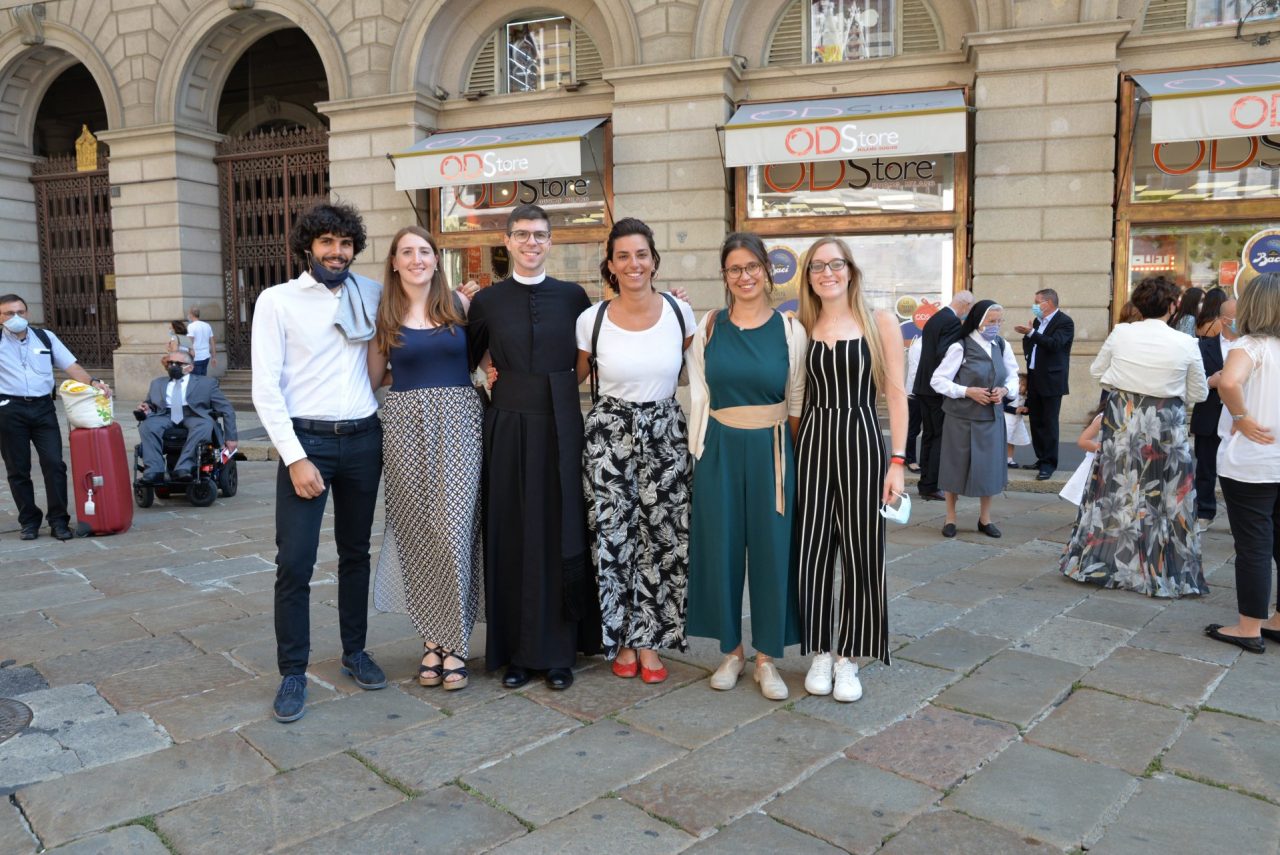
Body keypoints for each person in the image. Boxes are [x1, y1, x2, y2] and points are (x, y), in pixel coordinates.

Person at [251, 201, 387, 723]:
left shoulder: (371, 293)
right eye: (327, 242)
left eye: (345, 243)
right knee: (295, 561)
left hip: (363, 439)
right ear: (307, 247)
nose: (337, 252)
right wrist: (295, 458)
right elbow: (265, 388)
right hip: (307, 441)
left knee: (356, 553)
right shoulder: (277, 301)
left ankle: (355, 651)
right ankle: (293, 672)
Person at [467, 203, 600, 692]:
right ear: (507, 241)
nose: (531, 243)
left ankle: (560, 652)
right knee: (510, 533)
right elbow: (468, 357)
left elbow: (591, 353)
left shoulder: (574, 297)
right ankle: (515, 653)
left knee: (560, 532)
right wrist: (487, 377)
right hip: (505, 426)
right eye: (522, 234)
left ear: (550, 241)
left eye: (539, 235)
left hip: (561, 425)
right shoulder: (486, 301)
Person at [686, 232, 806, 702]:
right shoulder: (710, 326)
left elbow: (796, 399)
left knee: (774, 552)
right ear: (725, 275)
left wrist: (791, 458)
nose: (744, 276)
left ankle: (766, 658)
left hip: (772, 449)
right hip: (719, 446)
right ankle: (731, 651)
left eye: (752, 266)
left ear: (767, 271)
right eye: (734, 268)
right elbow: (699, 390)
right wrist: (700, 448)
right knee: (721, 549)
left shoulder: (790, 331)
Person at [576, 217, 695, 684]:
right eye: (622, 256)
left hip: (665, 433)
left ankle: (651, 641)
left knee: (664, 540)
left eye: (641, 254)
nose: (633, 264)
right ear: (610, 264)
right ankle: (621, 638)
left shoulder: (680, 313)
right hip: (609, 435)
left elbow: (695, 370)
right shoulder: (592, 319)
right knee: (613, 538)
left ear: (654, 260)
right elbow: (572, 376)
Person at [368, 226, 482, 691]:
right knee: (418, 534)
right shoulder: (385, 315)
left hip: (458, 422)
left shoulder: (460, 306)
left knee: (454, 530)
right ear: (394, 263)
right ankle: (433, 641)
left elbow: (489, 361)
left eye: (424, 251)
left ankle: (454, 642)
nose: (417, 259)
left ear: (437, 259)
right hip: (404, 427)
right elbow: (372, 378)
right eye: (407, 252)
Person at [794, 237, 906, 704]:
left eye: (835, 264)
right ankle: (820, 650)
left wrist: (897, 461)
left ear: (851, 270)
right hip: (811, 444)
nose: (828, 273)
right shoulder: (800, 325)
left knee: (863, 552)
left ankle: (849, 656)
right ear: (808, 276)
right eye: (817, 266)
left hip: (862, 440)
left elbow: (896, 393)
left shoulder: (879, 322)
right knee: (811, 551)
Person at [1061, 275, 1209, 599]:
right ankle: (1161, 570)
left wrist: (1127, 385)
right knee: (1166, 498)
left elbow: (1098, 372)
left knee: (1115, 492)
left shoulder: (1121, 333)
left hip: (1124, 419)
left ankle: (1107, 563)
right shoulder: (1186, 342)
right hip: (1165, 421)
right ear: (1173, 306)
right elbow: (1199, 392)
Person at [1205, 272, 1280, 653]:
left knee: (1253, 545)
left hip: (1253, 462)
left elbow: (1230, 382)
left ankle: (1248, 627)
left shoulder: (1249, 345)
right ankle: (1277, 621)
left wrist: (1241, 417)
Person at [0, 294, 112, 541]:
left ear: (27, 313)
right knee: (18, 469)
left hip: (43, 408)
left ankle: (59, 520)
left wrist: (94, 382)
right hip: (9, 410)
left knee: (54, 464)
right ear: (0, 317)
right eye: (9, 313)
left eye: (20, 312)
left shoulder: (45, 337)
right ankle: (29, 521)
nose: (16, 317)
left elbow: (71, 366)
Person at [931, 300, 1019, 538]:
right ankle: (950, 518)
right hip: (960, 418)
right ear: (979, 321)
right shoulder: (960, 346)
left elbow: (1013, 376)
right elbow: (937, 380)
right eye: (991, 321)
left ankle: (985, 519)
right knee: (955, 467)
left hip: (991, 418)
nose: (996, 326)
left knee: (989, 468)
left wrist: (1005, 390)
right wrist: (967, 391)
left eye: (999, 321)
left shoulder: (1002, 345)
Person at [136, 350, 237, 482]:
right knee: (147, 426)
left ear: (190, 367)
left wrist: (231, 438)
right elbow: (151, 404)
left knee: (205, 425)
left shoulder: (207, 383)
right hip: (165, 414)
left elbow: (227, 409)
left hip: (194, 414)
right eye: (170, 363)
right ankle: (154, 471)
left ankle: (184, 467)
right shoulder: (157, 383)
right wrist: (146, 407)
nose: (173, 366)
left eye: (178, 363)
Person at [912, 290, 975, 500]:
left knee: (929, 436)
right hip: (936, 388)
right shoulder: (952, 322)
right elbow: (945, 353)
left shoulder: (936, 318)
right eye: (970, 308)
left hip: (923, 386)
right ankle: (931, 485)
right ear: (965, 305)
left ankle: (925, 484)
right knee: (939, 437)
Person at [1013, 288, 1074, 481]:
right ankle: (1041, 458)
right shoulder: (1038, 321)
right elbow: (1032, 344)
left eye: (1037, 301)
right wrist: (1028, 335)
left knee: (1049, 422)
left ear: (1048, 303)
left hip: (1052, 380)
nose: (1035, 305)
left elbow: (1055, 344)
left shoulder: (1064, 322)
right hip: (1035, 377)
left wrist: (1031, 333)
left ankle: (1049, 463)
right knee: (1036, 421)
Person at [1192, 298, 1238, 531]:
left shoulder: (1251, 346)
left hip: (1239, 418)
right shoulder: (1202, 347)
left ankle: (1239, 518)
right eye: (1235, 317)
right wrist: (1211, 381)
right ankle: (1204, 512)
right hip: (1209, 414)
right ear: (1223, 319)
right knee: (1205, 468)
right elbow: (1191, 379)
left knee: (1239, 471)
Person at [903, 335, 922, 472]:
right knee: (913, 429)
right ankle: (910, 459)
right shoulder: (918, 346)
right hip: (916, 393)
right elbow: (915, 373)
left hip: (925, 392)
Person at [1004, 372, 1031, 467]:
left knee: (1011, 441)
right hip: (1006, 421)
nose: (1020, 387)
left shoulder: (1025, 397)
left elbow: (1026, 410)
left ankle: (1009, 459)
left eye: (1023, 385)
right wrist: (1014, 410)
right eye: (1018, 384)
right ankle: (1000, 459)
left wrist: (1025, 410)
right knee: (1003, 440)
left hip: (1016, 422)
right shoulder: (1010, 396)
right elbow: (1002, 406)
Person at [186, 306, 216, 376]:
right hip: (206, 356)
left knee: (195, 379)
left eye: (189, 314)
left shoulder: (191, 326)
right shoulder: (207, 325)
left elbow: (189, 342)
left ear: (191, 315)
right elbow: (212, 342)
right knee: (203, 377)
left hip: (196, 357)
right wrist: (214, 357)